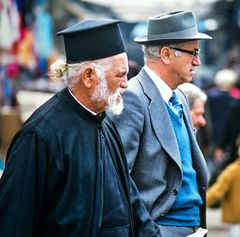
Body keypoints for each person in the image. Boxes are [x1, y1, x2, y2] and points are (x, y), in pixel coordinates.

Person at [0, 19, 161, 237]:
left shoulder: (106, 123)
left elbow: (130, 199)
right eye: (120, 75)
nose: (126, 83)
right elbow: (15, 221)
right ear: (88, 76)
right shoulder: (41, 135)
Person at [109, 11, 212, 237]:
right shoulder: (132, 98)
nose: (198, 61)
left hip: (192, 226)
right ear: (166, 54)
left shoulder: (180, 97)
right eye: (193, 52)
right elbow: (118, 178)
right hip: (160, 229)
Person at [206, 136, 240, 237]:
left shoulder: (233, 170)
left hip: (237, 220)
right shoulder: (233, 171)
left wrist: (200, 204)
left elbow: (216, 191)